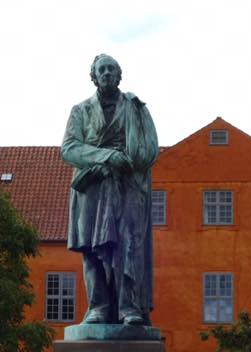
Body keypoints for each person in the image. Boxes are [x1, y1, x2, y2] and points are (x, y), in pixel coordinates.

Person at [61, 54, 159, 326]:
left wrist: (128, 160)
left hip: (127, 185)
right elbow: (69, 148)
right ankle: (98, 307)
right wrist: (106, 156)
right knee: (91, 248)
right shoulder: (81, 110)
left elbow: (150, 148)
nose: (106, 73)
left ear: (119, 75)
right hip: (92, 186)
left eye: (111, 69)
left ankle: (128, 307)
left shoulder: (136, 109)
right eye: (101, 70)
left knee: (128, 244)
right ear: (93, 76)